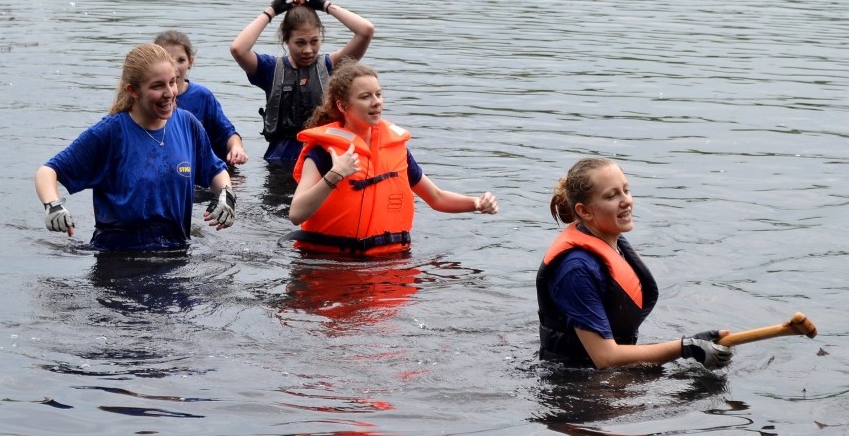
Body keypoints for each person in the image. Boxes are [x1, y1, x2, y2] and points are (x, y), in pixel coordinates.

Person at [34, 43, 237, 251]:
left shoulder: (187, 124)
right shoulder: (111, 132)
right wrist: (53, 206)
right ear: (133, 91)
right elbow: (47, 171)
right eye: (158, 86)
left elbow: (215, 171)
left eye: (172, 82)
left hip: (176, 253)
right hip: (118, 262)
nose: (169, 93)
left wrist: (227, 195)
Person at [536, 157, 733, 370]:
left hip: (608, 377)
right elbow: (605, 358)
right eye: (611, 196)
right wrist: (686, 348)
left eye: (626, 190)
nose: (626, 200)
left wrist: (695, 344)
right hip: (575, 387)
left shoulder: (612, 246)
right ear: (584, 211)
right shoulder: (576, 270)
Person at [287, 62, 498, 257]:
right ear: (342, 106)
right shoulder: (324, 153)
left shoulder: (396, 149)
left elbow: (436, 197)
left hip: (388, 262)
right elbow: (296, 213)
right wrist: (335, 174)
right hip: (327, 261)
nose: (376, 102)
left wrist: (476, 203)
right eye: (365, 97)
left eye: (378, 94)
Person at [230, 0, 375, 165]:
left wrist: (325, 5)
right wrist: (272, 10)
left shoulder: (331, 66)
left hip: (322, 159)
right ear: (286, 39)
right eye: (300, 43)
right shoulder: (270, 69)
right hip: (280, 161)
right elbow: (238, 49)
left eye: (314, 41)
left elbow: (366, 31)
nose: (308, 50)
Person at [154, 30, 248, 166]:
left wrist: (236, 148)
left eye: (181, 60)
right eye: (168, 60)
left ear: (190, 61)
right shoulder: (149, 99)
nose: (175, 68)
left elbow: (227, 133)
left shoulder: (202, 96)